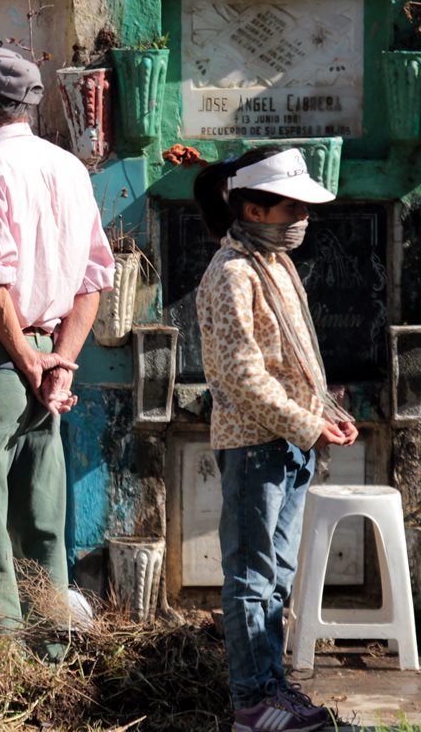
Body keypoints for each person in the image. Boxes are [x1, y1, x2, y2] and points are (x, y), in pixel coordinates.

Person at [0, 47, 114, 633]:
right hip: (46, 360)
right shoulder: (69, 168)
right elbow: (92, 280)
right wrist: (60, 363)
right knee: (41, 518)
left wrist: (30, 361)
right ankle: (50, 657)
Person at [193, 146, 357, 732]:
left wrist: (325, 412)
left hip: (287, 443)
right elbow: (240, 375)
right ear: (256, 210)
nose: (303, 219)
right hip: (256, 444)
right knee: (251, 577)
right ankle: (253, 703)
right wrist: (306, 422)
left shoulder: (274, 265)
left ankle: (274, 688)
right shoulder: (233, 272)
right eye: (294, 207)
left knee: (276, 575)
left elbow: (295, 357)